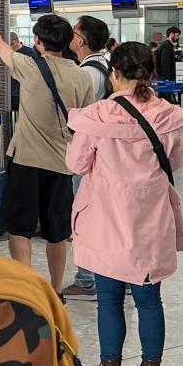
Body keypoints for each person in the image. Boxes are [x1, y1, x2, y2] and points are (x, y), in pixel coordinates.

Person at [67, 41, 183, 366]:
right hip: (150, 217)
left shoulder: (98, 116)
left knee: (108, 299)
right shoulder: (169, 115)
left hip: (106, 217)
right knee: (150, 299)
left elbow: (76, 164)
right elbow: (176, 162)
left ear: (115, 74)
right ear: (150, 72)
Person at [0, 0, 95, 293]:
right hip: (62, 166)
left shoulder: (28, 66)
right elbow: (86, 124)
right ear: (66, 43)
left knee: (20, 229)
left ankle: (25, 288)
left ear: (38, 41)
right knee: (56, 233)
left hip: (26, 161)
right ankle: (53, 291)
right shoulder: (82, 77)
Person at [62, 16, 113, 301]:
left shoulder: (86, 74)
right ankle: (117, 274)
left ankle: (86, 278)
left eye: (73, 32)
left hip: (86, 154)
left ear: (80, 40)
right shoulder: (104, 67)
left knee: (83, 216)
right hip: (104, 155)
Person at [9, 32, 39, 114]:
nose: (9, 47)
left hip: (23, 93)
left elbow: (35, 74)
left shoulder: (29, 53)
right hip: (9, 92)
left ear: (15, 42)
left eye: (10, 44)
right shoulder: (9, 54)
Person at [155, 26, 181, 100]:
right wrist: (167, 78)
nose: (178, 37)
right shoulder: (167, 46)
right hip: (165, 78)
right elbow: (165, 63)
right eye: (177, 35)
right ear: (171, 34)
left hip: (163, 77)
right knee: (165, 99)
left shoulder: (166, 45)